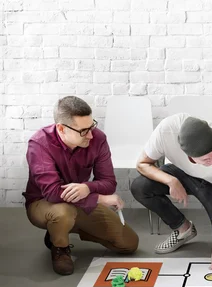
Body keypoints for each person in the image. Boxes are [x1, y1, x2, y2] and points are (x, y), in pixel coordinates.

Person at [23, 96, 139, 275]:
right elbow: (53, 193)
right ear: (61, 128)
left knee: (129, 243)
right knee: (63, 212)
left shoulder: (98, 139)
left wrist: (87, 188)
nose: (91, 134)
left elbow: (109, 182)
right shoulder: (39, 144)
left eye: (92, 126)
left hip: (81, 200)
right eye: (84, 131)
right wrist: (98, 198)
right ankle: (59, 247)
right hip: (44, 202)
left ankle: (61, 229)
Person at [131, 114, 212, 272]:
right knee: (140, 187)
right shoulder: (165, 131)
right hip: (182, 173)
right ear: (189, 156)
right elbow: (141, 164)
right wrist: (171, 181)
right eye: (206, 159)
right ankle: (183, 228)